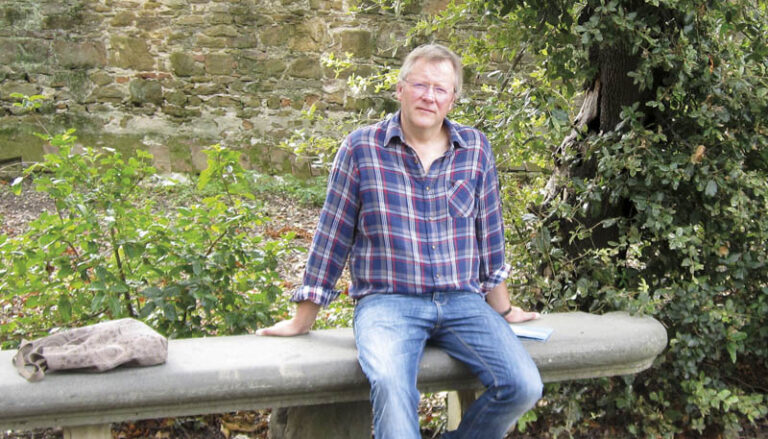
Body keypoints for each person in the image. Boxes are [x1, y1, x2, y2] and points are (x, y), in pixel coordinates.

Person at [258, 43, 543, 439]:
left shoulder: (476, 149)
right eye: (420, 85)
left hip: (462, 302)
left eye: (440, 89)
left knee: (523, 386)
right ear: (400, 89)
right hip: (387, 303)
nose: (429, 96)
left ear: (453, 99)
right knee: (392, 387)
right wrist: (302, 320)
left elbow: (489, 237)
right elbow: (331, 237)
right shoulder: (361, 148)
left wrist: (505, 309)